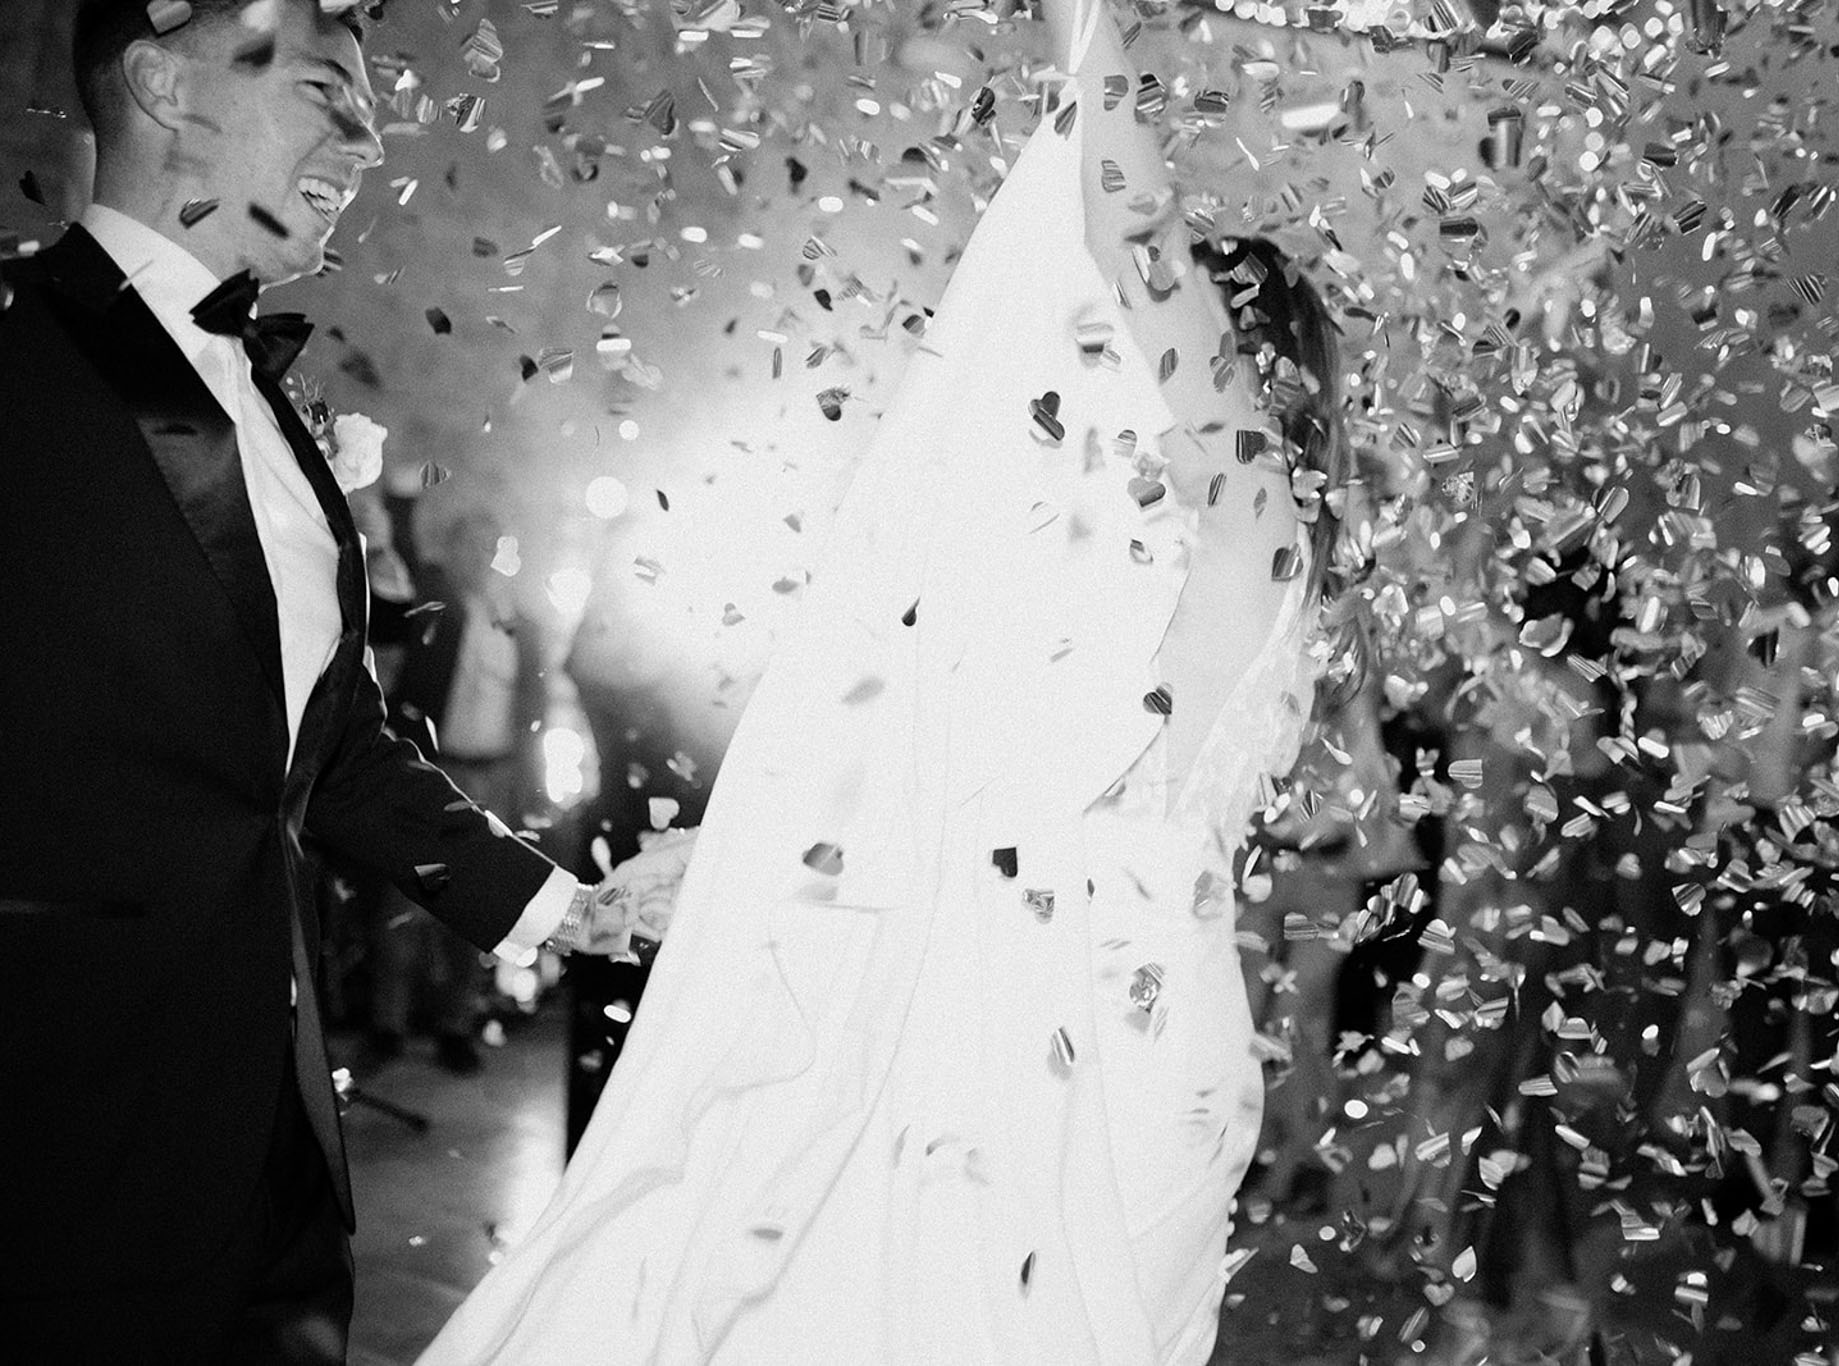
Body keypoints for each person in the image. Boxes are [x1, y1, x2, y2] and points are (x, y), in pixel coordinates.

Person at [421, 0, 1366, 1359]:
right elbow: (966, 784)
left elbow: (1131, 226)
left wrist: (1081, 23)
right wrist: (750, 859)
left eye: (1155, 354)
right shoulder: (1171, 564)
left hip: (1104, 1039)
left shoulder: (1246, 511)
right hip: (1106, 1012)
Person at [0, 3, 671, 1361]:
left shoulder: (273, 401)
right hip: (40, 1151)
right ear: (166, 85)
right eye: (323, 91)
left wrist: (559, 908)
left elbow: (324, 731)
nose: (369, 133)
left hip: (273, 1149)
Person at [370, 507, 549, 1073]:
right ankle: (386, 1026)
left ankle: (455, 1026)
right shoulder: (436, 608)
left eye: (487, 545)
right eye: (468, 545)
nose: (478, 556)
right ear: (452, 551)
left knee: (479, 906)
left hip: (494, 774)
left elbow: (531, 708)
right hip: (434, 766)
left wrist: (530, 777)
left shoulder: (520, 622)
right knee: (404, 899)